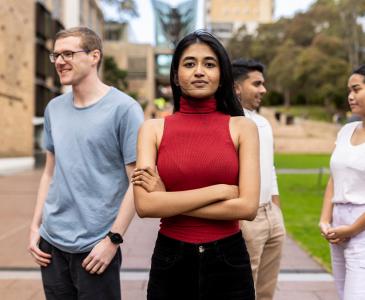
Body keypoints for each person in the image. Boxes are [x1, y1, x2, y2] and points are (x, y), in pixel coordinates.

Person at [131, 30, 260, 300]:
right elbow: (145, 206)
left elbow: (247, 207)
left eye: (209, 64)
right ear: (176, 76)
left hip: (229, 260)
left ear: (222, 75)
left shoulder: (243, 128)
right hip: (171, 258)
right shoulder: (152, 129)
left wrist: (167, 198)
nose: (199, 71)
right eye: (189, 64)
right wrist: (220, 191)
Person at [27, 27, 144, 300]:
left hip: (96, 247)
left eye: (68, 53)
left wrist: (113, 241)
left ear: (94, 56)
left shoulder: (124, 109)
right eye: (55, 54)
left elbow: (136, 182)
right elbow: (49, 173)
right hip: (51, 245)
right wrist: (35, 228)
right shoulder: (54, 108)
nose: (58, 61)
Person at [232, 58, 286, 300]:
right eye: (257, 84)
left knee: (266, 290)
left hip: (271, 215)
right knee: (243, 287)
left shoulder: (263, 123)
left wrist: (276, 208)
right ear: (236, 87)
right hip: (245, 218)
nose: (263, 90)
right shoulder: (228, 123)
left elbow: (270, 167)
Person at [319, 65, 365, 300]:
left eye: (356, 89)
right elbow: (334, 177)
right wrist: (325, 219)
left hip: (361, 227)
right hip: (338, 226)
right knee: (342, 292)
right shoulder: (346, 131)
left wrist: (354, 229)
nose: (350, 96)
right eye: (349, 90)